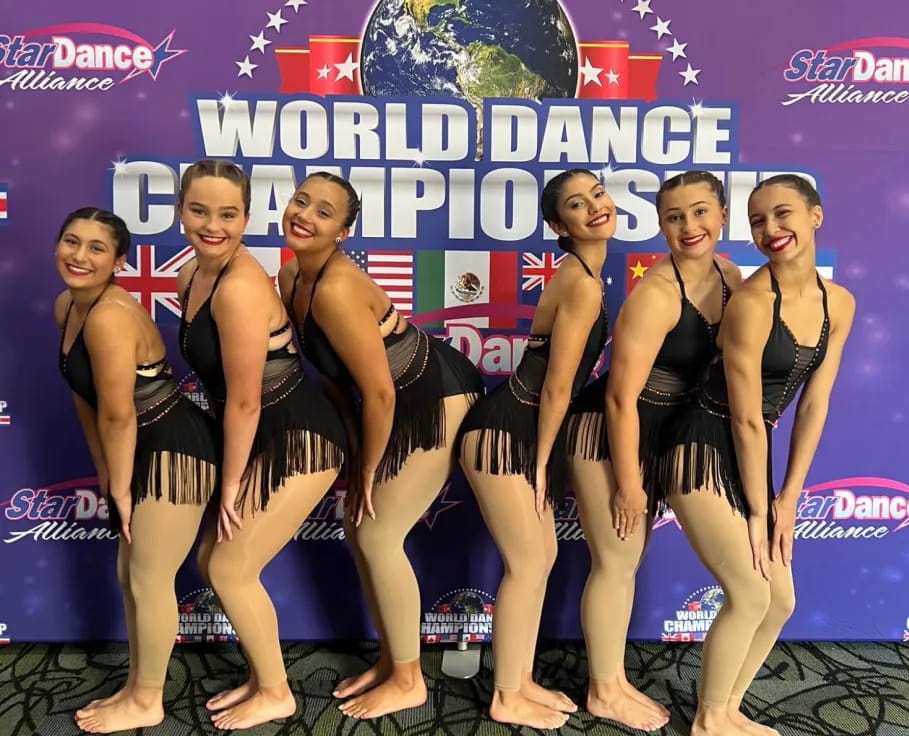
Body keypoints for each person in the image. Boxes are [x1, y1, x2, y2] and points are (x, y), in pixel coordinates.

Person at [277, 171, 484, 720]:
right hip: (393, 394)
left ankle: (410, 680)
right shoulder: (290, 276)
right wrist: (353, 452)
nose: (306, 215)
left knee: (378, 531)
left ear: (343, 232)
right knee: (359, 527)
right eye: (301, 202)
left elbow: (379, 392)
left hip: (434, 394)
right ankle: (394, 659)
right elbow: (334, 380)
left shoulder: (339, 288)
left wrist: (367, 471)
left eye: (324, 212)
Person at [667, 174, 855, 736]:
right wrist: (759, 510)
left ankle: (725, 708)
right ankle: (708, 722)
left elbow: (815, 404)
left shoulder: (838, 303)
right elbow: (748, 419)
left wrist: (789, 499)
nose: (770, 230)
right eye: (757, 221)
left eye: (782, 215)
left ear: (815, 216)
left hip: (753, 454)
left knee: (780, 602)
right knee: (751, 592)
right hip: (701, 449)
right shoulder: (751, 305)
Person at [176, 160, 347, 731]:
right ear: (180, 212)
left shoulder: (241, 287)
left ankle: (277, 692)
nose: (213, 224)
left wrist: (230, 485)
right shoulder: (190, 278)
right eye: (199, 210)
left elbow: (246, 402)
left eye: (228, 213)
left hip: (300, 436)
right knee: (213, 560)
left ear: (246, 217)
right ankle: (260, 676)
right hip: (262, 431)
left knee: (227, 565)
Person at [567, 172, 740, 732]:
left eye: (699, 212)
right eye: (673, 217)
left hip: (667, 431)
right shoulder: (657, 295)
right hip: (608, 432)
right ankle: (604, 689)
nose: (689, 227)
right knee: (616, 560)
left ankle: (613, 680)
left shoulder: (730, 275)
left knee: (628, 560)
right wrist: (630, 484)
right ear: (660, 224)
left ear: (721, 214)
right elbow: (618, 399)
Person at [457, 169, 611, 730]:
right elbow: (558, 387)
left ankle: (519, 680)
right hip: (506, 435)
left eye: (597, 194)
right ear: (558, 225)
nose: (594, 207)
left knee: (539, 560)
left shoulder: (586, 274)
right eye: (577, 204)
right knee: (527, 564)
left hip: (518, 430)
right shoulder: (583, 283)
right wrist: (545, 461)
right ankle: (505, 695)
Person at [55, 207, 218, 734]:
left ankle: (149, 700)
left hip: (175, 447)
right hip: (135, 447)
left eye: (96, 248)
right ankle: (136, 683)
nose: (80, 256)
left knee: (149, 577)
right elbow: (86, 396)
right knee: (131, 573)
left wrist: (121, 487)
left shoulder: (108, 316)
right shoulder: (68, 306)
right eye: (71, 242)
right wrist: (106, 472)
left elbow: (119, 412)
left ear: (119, 262)